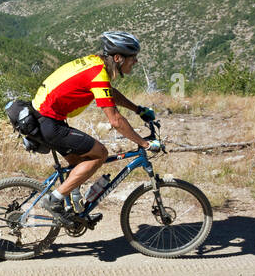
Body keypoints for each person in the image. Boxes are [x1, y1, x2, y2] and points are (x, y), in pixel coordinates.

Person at [32, 30, 161, 225]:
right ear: (117, 58)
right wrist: (144, 143)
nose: (135, 62)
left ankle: (75, 210)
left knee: (79, 163)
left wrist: (138, 110)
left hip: (45, 117)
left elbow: (110, 93)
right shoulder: (98, 74)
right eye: (132, 58)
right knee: (100, 153)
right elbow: (115, 120)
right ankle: (54, 199)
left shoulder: (96, 64)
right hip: (48, 122)